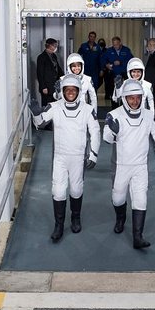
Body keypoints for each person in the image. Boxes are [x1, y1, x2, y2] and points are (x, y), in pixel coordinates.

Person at [32, 74, 101, 242]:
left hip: (78, 157)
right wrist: (35, 114)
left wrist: (93, 153)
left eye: (73, 90)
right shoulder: (54, 107)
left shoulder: (87, 109)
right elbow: (40, 124)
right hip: (60, 157)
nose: (70, 93)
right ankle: (59, 225)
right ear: (62, 91)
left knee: (76, 189)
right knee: (58, 190)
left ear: (78, 91)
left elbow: (95, 131)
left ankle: (75, 218)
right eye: (67, 90)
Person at [103, 79, 155, 249]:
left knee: (141, 199)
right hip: (121, 166)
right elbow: (106, 139)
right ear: (124, 98)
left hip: (140, 166)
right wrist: (113, 132)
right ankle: (120, 218)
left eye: (138, 97)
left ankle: (137, 237)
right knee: (118, 198)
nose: (135, 101)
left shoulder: (147, 115)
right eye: (131, 98)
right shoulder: (114, 115)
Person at [101, 36, 133, 108]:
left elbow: (130, 61)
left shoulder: (126, 50)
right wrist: (107, 65)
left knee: (124, 92)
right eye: (114, 44)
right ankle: (114, 108)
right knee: (113, 92)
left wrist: (120, 62)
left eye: (117, 44)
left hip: (124, 74)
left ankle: (123, 107)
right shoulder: (109, 51)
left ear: (120, 43)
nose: (115, 46)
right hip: (113, 74)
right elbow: (103, 60)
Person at [37, 38, 64, 108]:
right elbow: (40, 73)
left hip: (54, 86)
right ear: (48, 45)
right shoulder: (41, 57)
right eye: (54, 45)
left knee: (54, 105)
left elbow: (58, 68)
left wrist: (64, 77)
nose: (56, 47)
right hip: (46, 87)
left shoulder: (54, 56)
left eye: (56, 45)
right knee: (47, 106)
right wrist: (43, 87)